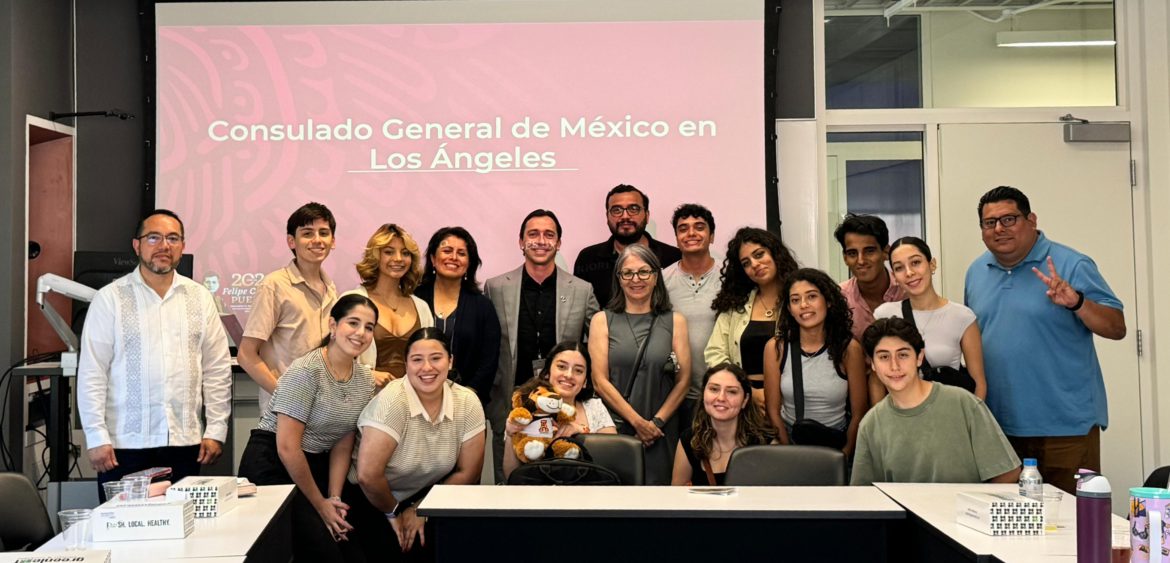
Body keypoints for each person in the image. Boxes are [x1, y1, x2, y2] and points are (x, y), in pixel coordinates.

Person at [965, 186, 1125, 493]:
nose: (999, 228)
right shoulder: (976, 271)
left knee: (1073, 526)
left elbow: (1116, 327)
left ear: (1031, 220)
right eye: (989, 222)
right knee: (1009, 530)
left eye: (1009, 219)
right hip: (999, 429)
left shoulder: (1071, 264)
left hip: (1065, 427)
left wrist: (1077, 302)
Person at [78, 209, 232, 499]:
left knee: (183, 534)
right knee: (123, 535)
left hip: (185, 442)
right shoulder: (109, 299)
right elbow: (92, 373)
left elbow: (217, 370)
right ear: (137, 245)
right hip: (123, 445)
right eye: (154, 238)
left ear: (183, 246)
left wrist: (215, 429)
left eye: (173, 238)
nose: (164, 245)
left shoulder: (200, 298)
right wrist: (96, 437)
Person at [237, 294, 379, 561]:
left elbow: (343, 439)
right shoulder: (306, 370)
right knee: (322, 550)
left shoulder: (364, 379)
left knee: (352, 546)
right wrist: (321, 505)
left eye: (369, 327)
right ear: (333, 326)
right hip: (274, 465)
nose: (361, 333)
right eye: (353, 323)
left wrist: (334, 498)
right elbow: (288, 447)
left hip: (317, 467)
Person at [349, 328, 485, 561]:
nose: (427, 368)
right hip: (373, 498)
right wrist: (395, 512)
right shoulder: (392, 401)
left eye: (436, 358)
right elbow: (368, 476)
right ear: (406, 364)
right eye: (417, 360)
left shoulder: (467, 401)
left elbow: (469, 472)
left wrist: (421, 508)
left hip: (427, 491)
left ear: (450, 361)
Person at [484, 209, 599, 484]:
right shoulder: (496, 287)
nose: (541, 240)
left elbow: (596, 347)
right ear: (521, 241)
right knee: (510, 480)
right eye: (533, 234)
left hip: (563, 406)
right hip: (511, 403)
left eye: (549, 235)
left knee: (562, 475)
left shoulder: (582, 290)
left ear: (559, 243)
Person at [850, 318, 1021, 486]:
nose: (894, 366)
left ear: (919, 357)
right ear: (872, 364)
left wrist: (974, 509)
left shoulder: (964, 403)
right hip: (906, 514)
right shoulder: (870, 424)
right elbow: (865, 496)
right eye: (884, 357)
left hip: (961, 512)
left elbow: (1008, 472)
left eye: (903, 355)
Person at [589, 244, 691, 485]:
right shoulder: (602, 321)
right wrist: (637, 423)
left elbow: (684, 381)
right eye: (628, 273)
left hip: (662, 431)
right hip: (617, 429)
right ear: (619, 278)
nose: (636, 279)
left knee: (662, 504)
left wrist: (655, 424)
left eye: (644, 272)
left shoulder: (675, 321)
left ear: (656, 277)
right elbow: (600, 381)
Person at [239, 202, 339, 412]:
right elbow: (246, 355)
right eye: (308, 233)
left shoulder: (331, 289)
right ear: (291, 241)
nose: (317, 240)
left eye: (324, 233)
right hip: (283, 413)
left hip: (322, 411)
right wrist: (285, 397)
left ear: (333, 241)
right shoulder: (274, 285)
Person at [762, 268, 868, 455]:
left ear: (827, 301)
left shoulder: (849, 349)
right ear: (789, 308)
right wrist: (789, 453)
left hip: (835, 443)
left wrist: (844, 454)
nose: (804, 305)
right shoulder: (776, 348)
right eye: (795, 300)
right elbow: (773, 411)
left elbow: (859, 413)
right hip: (790, 441)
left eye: (811, 297)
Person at [873, 236, 987, 400]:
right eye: (899, 268)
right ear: (895, 277)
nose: (909, 273)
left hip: (950, 412)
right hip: (902, 415)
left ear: (932, 264)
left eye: (916, 263)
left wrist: (971, 421)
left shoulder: (962, 317)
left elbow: (979, 384)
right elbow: (877, 378)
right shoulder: (884, 315)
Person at [705, 227, 800, 410]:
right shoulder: (734, 306)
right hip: (744, 401)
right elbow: (715, 353)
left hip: (790, 399)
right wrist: (746, 390)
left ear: (775, 254)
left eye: (759, 254)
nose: (755, 264)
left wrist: (775, 392)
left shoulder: (799, 301)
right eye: (746, 263)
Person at [501, 341, 617, 480]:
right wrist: (510, 434)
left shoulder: (595, 407)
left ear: (585, 381)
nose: (569, 375)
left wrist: (581, 431)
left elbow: (612, 459)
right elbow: (511, 475)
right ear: (547, 373)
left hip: (587, 493)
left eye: (578, 370)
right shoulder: (527, 409)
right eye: (562, 367)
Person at [414, 226, 501, 406]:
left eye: (461, 253)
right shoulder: (414, 298)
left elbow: (489, 360)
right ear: (432, 258)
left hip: (466, 403)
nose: (454, 257)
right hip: (414, 398)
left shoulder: (483, 306)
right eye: (447, 251)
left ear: (469, 263)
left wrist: (468, 396)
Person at [344, 224, 435, 386]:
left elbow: (431, 358)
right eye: (389, 251)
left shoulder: (422, 307)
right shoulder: (352, 300)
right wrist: (367, 375)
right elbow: (333, 359)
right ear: (375, 256)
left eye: (405, 253)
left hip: (410, 402)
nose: (398, 258)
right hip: (362, 404)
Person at [662, 204, 721, 435]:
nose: (691, 234)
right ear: (676, 238)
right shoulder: (662, 279)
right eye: (683, 229)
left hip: (722, 390)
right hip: (678, 393)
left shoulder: (730, 275)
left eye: (699, 227)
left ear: (712, 235)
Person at [573, 184, 681, 306]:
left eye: (633, 209)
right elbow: (580, 310)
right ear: (607, 216)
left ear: (647, 215)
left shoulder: (673, 257)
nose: (625, 216)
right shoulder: (588, 259)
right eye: (616, 210)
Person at [671, 363, 773, 486]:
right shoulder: (689, 440)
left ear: (745, 400)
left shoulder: (766, 443)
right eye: (714, 389)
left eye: (731, 392)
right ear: (703, 394)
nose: (721, 397)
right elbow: (677, 498)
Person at [833, 213, 906, 342]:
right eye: (852, 253)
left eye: (869, 251)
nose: (861, 261)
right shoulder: (838, 298)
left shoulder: (907, 291)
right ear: (845, 258)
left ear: (886, 252)